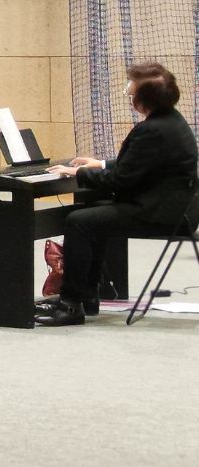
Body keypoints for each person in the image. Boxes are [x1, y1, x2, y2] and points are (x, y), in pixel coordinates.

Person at [39, 62, 199, 325]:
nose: (130, 96)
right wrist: (99, 164)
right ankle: (87, 296)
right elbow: (140, 164)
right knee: (95, 211)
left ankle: (70, 304)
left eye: (131, 91)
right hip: (174, 209)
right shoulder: (172, 121)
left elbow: (120, 180)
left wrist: (78, 173)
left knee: (79, 222)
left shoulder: (152, 130)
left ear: (143, 100)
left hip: (161, 214)